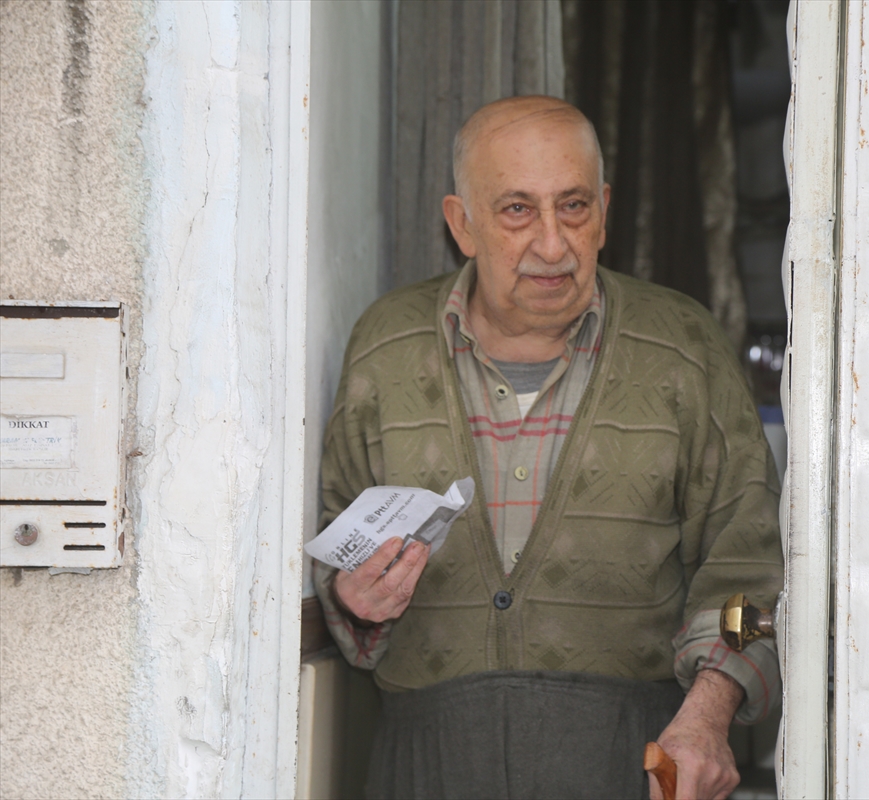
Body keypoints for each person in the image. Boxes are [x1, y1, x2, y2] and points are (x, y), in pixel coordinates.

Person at [313, 95, 784, 800]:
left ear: (605, 210)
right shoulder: (385, 348)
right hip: (427, 765)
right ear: (461, 224)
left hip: (632, 761)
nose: (554, 244)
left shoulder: (683, 348)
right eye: (517, 210)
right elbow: (338, 540)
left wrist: (708, 716)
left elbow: (748, 564)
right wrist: (353, 598)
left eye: (573, 206)